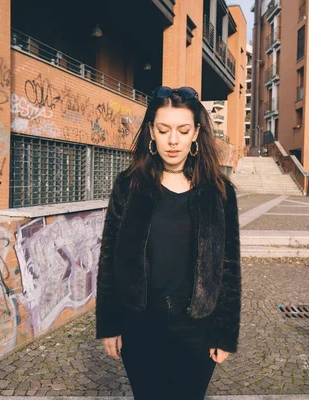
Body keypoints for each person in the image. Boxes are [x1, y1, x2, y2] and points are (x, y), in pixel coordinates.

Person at [95, 86, 241, 400]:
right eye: (164, 130)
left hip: (198, 330)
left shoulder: (219, 192)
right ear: (151, 131)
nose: (173, 140)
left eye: (183, 130)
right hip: (140, 326)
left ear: (196, 133)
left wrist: (225, 333)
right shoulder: (129, 186)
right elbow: (109, 258)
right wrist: (109, 324)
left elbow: (228, 267)